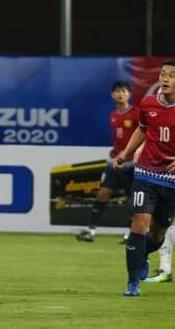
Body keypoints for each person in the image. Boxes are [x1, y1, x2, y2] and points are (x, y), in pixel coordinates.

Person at [113, 60, 175, 296]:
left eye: (171, 75)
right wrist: (125, 153)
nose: (165, 79)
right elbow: (141, 129)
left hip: (172, 181)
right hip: (146, 173)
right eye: (162, 74)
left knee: (158, 235)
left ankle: (142, 255)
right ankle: (132, 282)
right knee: (139, 224)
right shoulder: (148, 103)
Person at [77, 81, 139, 242]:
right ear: (112, 95)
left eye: (124, 91)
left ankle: (131, 233)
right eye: (117, 91)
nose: (120, 94)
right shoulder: (113, 115)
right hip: (115, 162)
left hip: (132, 163)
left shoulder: (136, 114)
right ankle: (91, 231)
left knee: (132, 198)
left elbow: (143, 137)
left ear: (129, 94)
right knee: (103, 193)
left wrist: (131, 155)